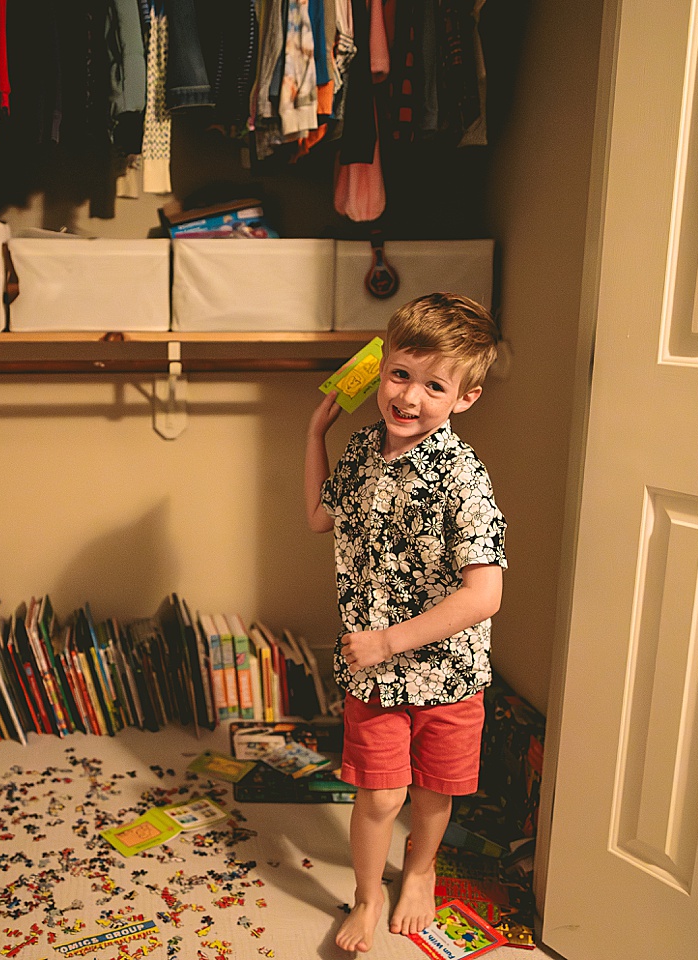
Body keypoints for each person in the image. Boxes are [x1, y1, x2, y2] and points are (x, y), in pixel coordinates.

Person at [304, 292, 507, 952]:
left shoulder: (463, 477)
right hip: (377, 675)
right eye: (400, 375)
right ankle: (367, 894)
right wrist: (315, 435)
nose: (410, 397)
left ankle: (419, 871)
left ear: (464, 398)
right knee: (380, 797)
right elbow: (317, 518)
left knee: (432, 791)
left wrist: (390, 638)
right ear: (382, 365)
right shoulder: (363, 450)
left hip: (447, 673)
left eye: (433, 385)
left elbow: (484, 595)